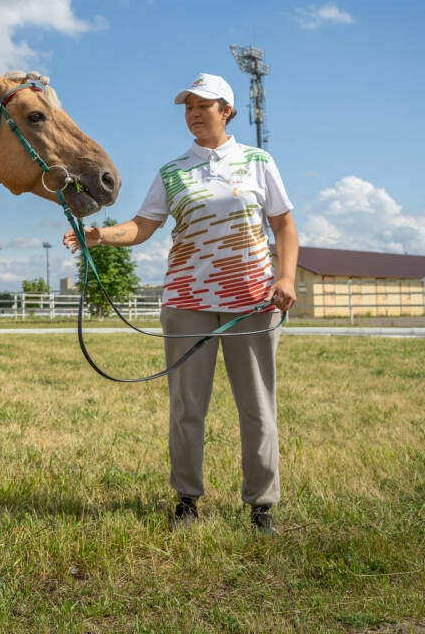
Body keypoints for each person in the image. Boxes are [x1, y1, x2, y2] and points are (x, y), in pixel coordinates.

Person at [64, 73, 298, 535]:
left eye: (203, 105)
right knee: (187, 406)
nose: (193, 114)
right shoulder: (172, 171)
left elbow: (284, 226)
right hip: (187, 301)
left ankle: (262, 506)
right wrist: (101, 235)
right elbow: (142, 225)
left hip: (251, 303)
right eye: (188, 107)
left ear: (226, 111)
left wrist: (286, 277)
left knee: (257, 406)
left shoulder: (257, 162)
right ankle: (187, 501)